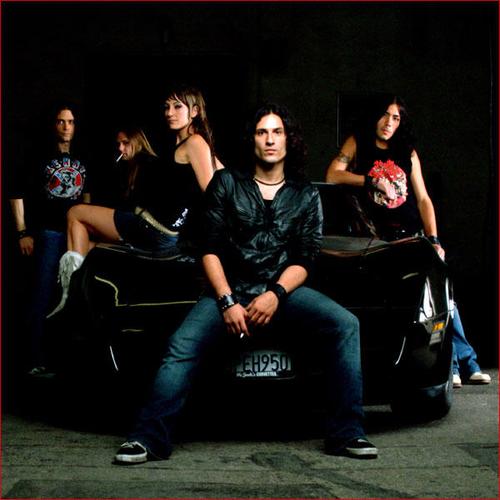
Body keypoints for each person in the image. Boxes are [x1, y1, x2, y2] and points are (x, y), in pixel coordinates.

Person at [113, 103, 378, 465]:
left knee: (346, 324)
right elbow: (208, 248)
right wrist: (226, 301)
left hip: (282, 292)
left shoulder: (305, 194)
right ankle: (148, 439)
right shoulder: (227, 183)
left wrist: (275, 295)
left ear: (288, 140)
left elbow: (304, 260)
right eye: (262, 132)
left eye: (277, 132)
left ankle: (348, 433)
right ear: (252, 140)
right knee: (181, 344)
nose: (270, 140)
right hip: (229, 289)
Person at [325, 94, 490, 389]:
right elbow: (332, 175)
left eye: (396, 117)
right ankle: (452, 365)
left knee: (440, 295)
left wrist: (434, 239)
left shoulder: (407, 151)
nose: (389, 122)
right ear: (375, 116)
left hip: (413, 235)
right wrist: (369, 180)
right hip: (379, 240)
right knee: (415, 302)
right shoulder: (358, 143)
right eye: (385, 115)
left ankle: (465, 364)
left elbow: (423, 199)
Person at [48, 85, 223, 317]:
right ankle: (81, 297)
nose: (169, 112)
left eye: (177, 106)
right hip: (159, 231)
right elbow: (224, 178)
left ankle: (71, 296)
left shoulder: (194, 142)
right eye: (166, 107)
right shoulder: (192, 144)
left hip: (152, 229)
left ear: (195, 111)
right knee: (89, 244)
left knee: (75, 213)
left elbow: (214, 192)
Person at [8, 102, 91, 376]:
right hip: (48, 233)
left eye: (71, 122)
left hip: (75, 235)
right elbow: (16, 192)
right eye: (61, 121)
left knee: (73, 295)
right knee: (41, 294)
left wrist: (88, 231)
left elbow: (87, 197)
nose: (66, 127)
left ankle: (65, 357)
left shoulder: (83, 155)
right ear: (53, 124)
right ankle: (34, 359)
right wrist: (22, 232)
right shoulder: (38, 155)